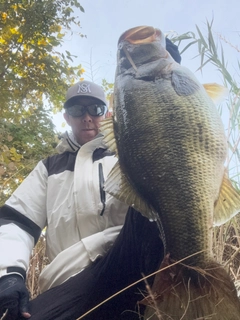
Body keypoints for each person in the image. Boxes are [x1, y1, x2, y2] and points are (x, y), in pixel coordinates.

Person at [0, 38, 181, 320]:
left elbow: (167, 155)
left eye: (95, 109)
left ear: (107, 114)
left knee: (152, 195)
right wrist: (8, 276)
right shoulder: (49, 168)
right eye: (77, 110)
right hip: (67, 282)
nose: (87, 118)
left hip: (131, 264)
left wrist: (164, 81)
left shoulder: (129, 152)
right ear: (66, 117)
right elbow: (16, 222)